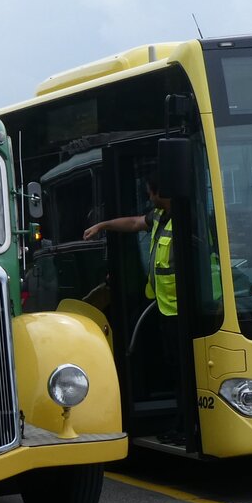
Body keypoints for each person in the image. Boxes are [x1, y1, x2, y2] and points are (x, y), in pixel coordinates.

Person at [84, 176, 185, 444]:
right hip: (167, 307)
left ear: (160, 191)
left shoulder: (188, 218)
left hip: (184, 311)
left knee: (186, 373)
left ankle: (186, 427)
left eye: (151, 193)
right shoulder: (161, 217)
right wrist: (102, 225)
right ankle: (182, 424)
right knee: (176, 370)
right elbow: (133, 222)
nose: (150, 198)